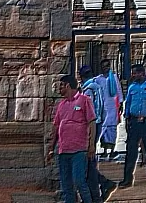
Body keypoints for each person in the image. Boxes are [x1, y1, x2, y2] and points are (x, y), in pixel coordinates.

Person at [48, 75, 95, 203]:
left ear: (68, 85)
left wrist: (91, 145)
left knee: (79, 182)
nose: (59, 89)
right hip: (64, 150)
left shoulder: (84, 100)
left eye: (61, 86)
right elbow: (56, 126)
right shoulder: (61, 105)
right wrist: (51, 148)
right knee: (66, 185)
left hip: (79, 149)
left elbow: (91, 122)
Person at [117, 63, 146, 189]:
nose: (133, 75)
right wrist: (126, 117)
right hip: (134, 121)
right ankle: (127, 179)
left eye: (135, 73)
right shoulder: (132, 88)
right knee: (131, 151)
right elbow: (128, 103)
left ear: (142, 73)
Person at [79, 65, 116, 203]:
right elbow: (104, 109)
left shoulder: (88, 90)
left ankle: (100, 187)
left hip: (91, 125)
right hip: (99, 123)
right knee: (90, 160)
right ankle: (99, 188)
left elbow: (88, 112)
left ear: (81, 77)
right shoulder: (98, 87)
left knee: (89, 161)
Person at [94, 60, 121, 161]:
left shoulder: (113, 77)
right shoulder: (98, 80)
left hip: (113, 107)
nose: (105, 68)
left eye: (107, 66)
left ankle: (112, 151)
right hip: (102, 108)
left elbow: (118, 92)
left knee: (112, 130)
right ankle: (105, 151)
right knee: (103, 130)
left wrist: (120, 104)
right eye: (103, 66)